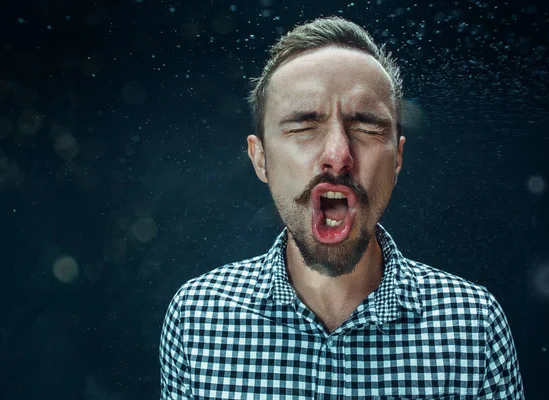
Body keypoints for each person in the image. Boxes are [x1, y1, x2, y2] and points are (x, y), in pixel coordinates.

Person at [160, 16, 525, 399]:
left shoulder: (474, 326)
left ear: (397, 158)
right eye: (303, 125)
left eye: (367, 126)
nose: (338, 156)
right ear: (261, 158)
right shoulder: (196, 318)